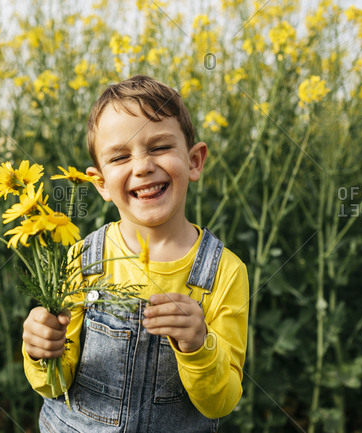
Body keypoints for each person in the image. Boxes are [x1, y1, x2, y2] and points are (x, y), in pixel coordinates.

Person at [22, 75, 249, 432]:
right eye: (120, 156)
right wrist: (40, 352)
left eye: (159, 148)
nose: (142, 166)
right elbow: (55, 386)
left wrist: (198, 345)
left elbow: (221, 403)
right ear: (100, 183)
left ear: (194, 161)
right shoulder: (82, 259)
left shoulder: (225, 271)